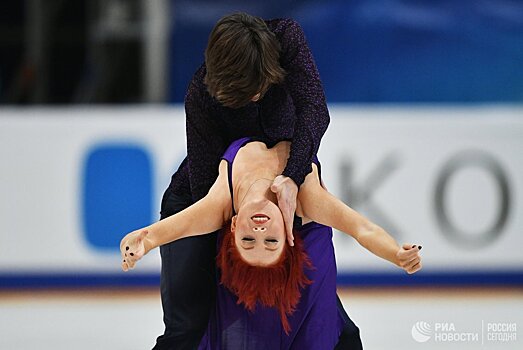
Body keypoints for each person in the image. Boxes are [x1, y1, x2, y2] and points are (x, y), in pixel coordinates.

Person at [157, 12, 362, 349]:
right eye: (246, 92)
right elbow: (209, 188)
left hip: (278, 203)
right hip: (205, 204)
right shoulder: (201, 93)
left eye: (263, 86)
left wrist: (293, 177)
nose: (257, 95)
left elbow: (314, 109)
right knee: (188, 330)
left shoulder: (287, 40)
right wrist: (248, 236)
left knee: (339, 333)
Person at [121, 138, 423, 349]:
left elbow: (169, 230)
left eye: (249, 240)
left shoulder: (222, 205)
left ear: (234, 226)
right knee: (333, 327)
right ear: (290, 234)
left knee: (187, 327)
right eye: (271, 241)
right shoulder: (306, 198)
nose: (259, 231)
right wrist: (396, 254)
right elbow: (361, 228)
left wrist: (142, 242)